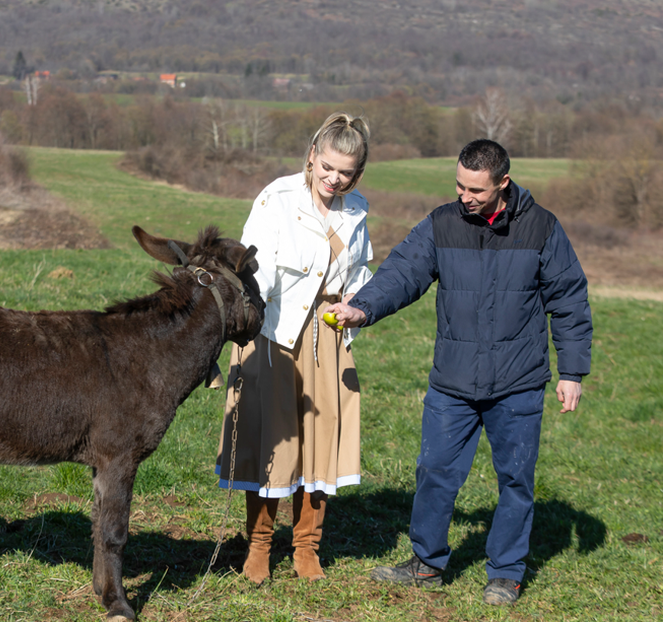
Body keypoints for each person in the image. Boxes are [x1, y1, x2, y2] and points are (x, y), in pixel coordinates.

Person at [324, 139, 593, 605]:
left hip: (519, 381)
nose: (465, 196)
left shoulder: (542, 227)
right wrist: (362, 308)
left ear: (503, 183)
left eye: (476, 190)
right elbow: (403, 273)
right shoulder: (442, 223)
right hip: (453, 380)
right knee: (435, 472)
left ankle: (505, 574)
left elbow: (569, 300)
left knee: (516, 480)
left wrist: (572, 371)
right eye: (459, 186)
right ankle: (426, 563)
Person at [215, 112, 374, 584]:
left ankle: (307, 546)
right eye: (327, 167)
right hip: (274, 333)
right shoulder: (277, 198)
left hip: (328, 336)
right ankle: (260, 545)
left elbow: (361, 271)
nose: (334, 179)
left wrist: (356, 300)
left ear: (358, 173)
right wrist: (241, 326)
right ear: (312, 156)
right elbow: (254, 273)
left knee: (321, 441)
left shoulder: (357, 209)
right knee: (272, 440)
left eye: (345, 172)